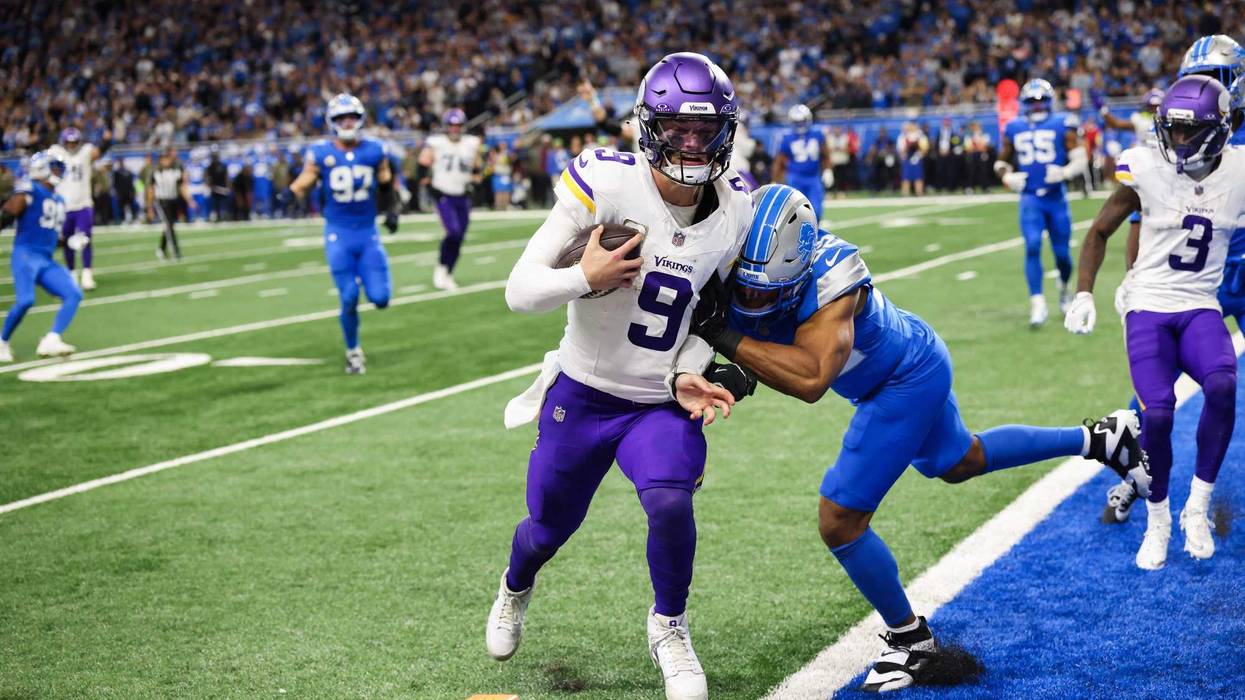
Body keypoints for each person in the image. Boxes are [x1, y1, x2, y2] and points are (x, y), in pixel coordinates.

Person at [691, 184, 1148, 692]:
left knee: (840, 519)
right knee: (959, 461)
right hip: (910, 357)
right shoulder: (741, 260)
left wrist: (723, 335)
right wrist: (737, 370)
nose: (750, 299)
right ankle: (1101, 439)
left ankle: (910, 640)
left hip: (902, 379)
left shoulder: (833, 279)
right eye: (745, 289)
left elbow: (811, 377)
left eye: (763, 292)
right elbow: (771, 337)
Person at [486, 52, 752, 700]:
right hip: (581, 391)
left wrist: (690, 369)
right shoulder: (606, 182)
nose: (690, 143)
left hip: (656, 398)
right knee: (546, 527)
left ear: (724, 131)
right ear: (647, 126)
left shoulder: (737, 207)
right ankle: (514, 586)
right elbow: (518, 292)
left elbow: (709, 317)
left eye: (703, 129)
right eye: (676, 128)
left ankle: (669, 626)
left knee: (668, 498)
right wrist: (587, 277)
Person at [1065, 75, 1240, 570]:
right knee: (1158, 412)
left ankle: (1197, 508)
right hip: (1148, 304)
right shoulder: (1145, 166)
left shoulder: (1240, 170)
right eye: (1173, 130)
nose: (1177, 141)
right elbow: (1100, 230)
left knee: (1224, 384)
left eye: (1189, 132)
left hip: (1201, 302)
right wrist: (1084, 293)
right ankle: (1158, 519)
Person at [1103, 35, 1245, 525]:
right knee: (1154, 384)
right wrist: (1137, 281)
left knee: (1221, 385)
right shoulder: (1179, 135)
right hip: (1182, 283)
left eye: (1220, 77)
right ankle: (1135, 473)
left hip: (1238, 273)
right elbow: (1143, 219)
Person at [287, 93, 398, 375]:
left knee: (381, 298)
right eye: (340, 118)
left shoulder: (374, 150)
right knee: (348, 296)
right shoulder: (322, 153)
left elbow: (386, 185)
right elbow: (303, 183)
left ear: (360, 119)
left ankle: (367, 289)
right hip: (338, 234)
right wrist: (290, 196)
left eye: (351, 117)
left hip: (367, 232)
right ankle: (353, 351)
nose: (347, 122)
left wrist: (392, 210)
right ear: (332, 121)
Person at [994, 79, 1088, 327]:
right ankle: (1037, 302)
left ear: (1049, 102)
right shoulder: (1014, 127)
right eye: (1031, 102)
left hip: (1056, 198)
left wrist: (1065, 173)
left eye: (1040, 102)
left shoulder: (1062, 123)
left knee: (1062, 255)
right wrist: (1007, 176)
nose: (1036, 107)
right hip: (1030, 198)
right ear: (1024, 104)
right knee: (1033, 245)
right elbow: (1001, 161)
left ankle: (1064, 289)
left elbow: (1080, 158)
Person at [0, 151, 83, 362]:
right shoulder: (30, 188)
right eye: (54, 167)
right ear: (42, 168)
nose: (57, 172)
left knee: (73, 293)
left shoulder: (59, 199)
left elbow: (50, 234)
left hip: (45, 258)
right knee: (26, 300)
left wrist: (69, 241)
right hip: (26, 253)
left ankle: (52, 339)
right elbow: (12, 209)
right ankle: (2, 341)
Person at [418, 109, 482, 291]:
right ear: (446, 127)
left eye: (458, 125)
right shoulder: (436, 143)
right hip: (443, 193)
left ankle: (448, 272)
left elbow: (477, 168)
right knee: (452, 232)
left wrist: (475, 184)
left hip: (462, 194)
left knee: (460, 236)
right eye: (452, 125)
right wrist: (430, 189)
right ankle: (441, 267)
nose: (454, 129)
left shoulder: (472, 143)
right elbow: (421, 167)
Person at [48, 127, 108, 291]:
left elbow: (99, 152)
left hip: (83, 204)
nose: (72, 145)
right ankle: (72, 273)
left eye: (75, 142)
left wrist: (107, 141)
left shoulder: (86, 152)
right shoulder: (56, 152)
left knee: (85, 239)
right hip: (64, 206)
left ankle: (87, 274)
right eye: (69, 142)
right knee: (67, 241)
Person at [771, 104, 832, 223]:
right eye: (797, 121)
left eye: (802, 121)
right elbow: (779, 162)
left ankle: (814, 237)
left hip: (813, 178)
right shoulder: (787, 138)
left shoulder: (817, 134)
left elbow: (825, 155)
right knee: (795, 214)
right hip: (795, 179)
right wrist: (774, 179)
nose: (800, 125)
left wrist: (828, 170)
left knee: (816, 212)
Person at [146, 147, 195, 261]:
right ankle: (175, 251)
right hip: (161, 201)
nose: (166, 161)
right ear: (160, 160)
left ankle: (161, 249)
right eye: (164, 158)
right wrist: (149, 207)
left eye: (168, 158)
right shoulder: (155, 172)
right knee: (169, 225)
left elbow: (182, 187)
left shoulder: (176, 171)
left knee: (169, 225)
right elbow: (150, 189)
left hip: (173, 200)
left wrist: (189, 200)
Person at [898, 121, 929, 196]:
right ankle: (905, 194)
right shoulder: (903, 136)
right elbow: (901, 150)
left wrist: (918, 156)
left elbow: (925, 149)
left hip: (917, 159)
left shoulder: (921, 135)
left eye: (913, 125)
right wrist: (905, 155)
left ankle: (919, 193)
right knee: (906, 178)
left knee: (918, 177)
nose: (911, 127)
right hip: (907, 159)